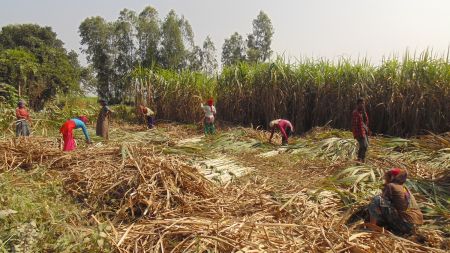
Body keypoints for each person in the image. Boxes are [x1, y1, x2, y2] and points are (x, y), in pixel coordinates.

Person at [367, 168, 423, 235]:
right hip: (414, 225)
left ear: (392, 177)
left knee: (376, 199)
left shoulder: (391, 186)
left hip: (404, 224)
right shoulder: (404, 188)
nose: (385, 178)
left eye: (387, 176)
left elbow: (381, 200)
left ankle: (371, 227)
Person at [352, 98, 369, 163]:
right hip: (359, 133)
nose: (362, 105)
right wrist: (357, 135)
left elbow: (366, 121)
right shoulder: (355, 113)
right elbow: (355, 125)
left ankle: (361, 160)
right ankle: (360, 160)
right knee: (363, 146)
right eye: (361, 103)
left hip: (364, 132)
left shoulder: (362, 112)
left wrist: (367, 130)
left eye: (363, 103)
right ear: (357, 104)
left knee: (365, 146)